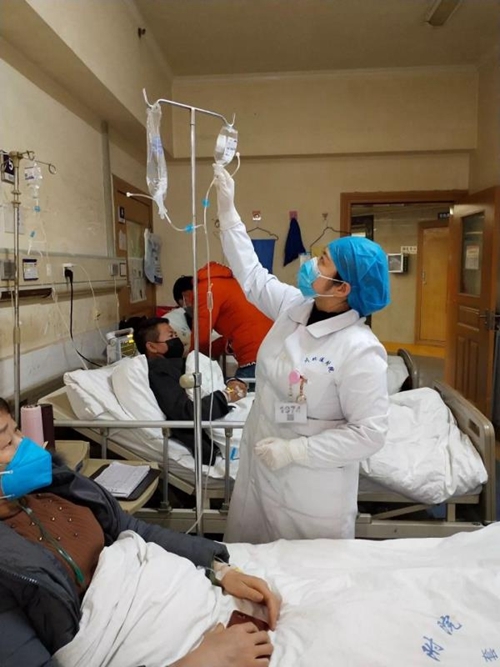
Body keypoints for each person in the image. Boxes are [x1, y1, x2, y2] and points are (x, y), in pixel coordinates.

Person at [0, 397, 279, 666]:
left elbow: (132, 528)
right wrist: (203, 662)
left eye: (18, 430)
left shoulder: (58, 486)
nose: (26, 445)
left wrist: (219, 569)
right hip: (136, 643)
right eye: (6, 442)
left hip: (182, 598)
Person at [212, 164, 391, 543]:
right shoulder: (294, 307)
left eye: (323, 261)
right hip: (262, 465)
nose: (312, 263)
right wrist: (228, 214)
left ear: (342, 288)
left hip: (310, 488)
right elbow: (252, 276)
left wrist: (296, 451)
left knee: (304, 574)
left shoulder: (360, 350)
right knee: (250, 562)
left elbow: (369, 434)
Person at [133, 317, 248, 465]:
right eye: (171, 336)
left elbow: (210, 379)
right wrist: (226, 396)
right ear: (152, 347)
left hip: (231, 406)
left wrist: (231, 382)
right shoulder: (160, 372)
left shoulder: (182, 362)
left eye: (176, 335)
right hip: (222, 419)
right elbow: (186, 413)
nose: (177, 340)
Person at [172, 262, 273, 383]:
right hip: (270, 347)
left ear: (185, 296)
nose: (188, 308)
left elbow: (201, 336)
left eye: (183, 304)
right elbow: (232, 335)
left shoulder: (205, 290)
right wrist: (212, 349)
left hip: (254, 354)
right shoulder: (228, 282)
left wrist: (189, 362)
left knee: (237, 391)